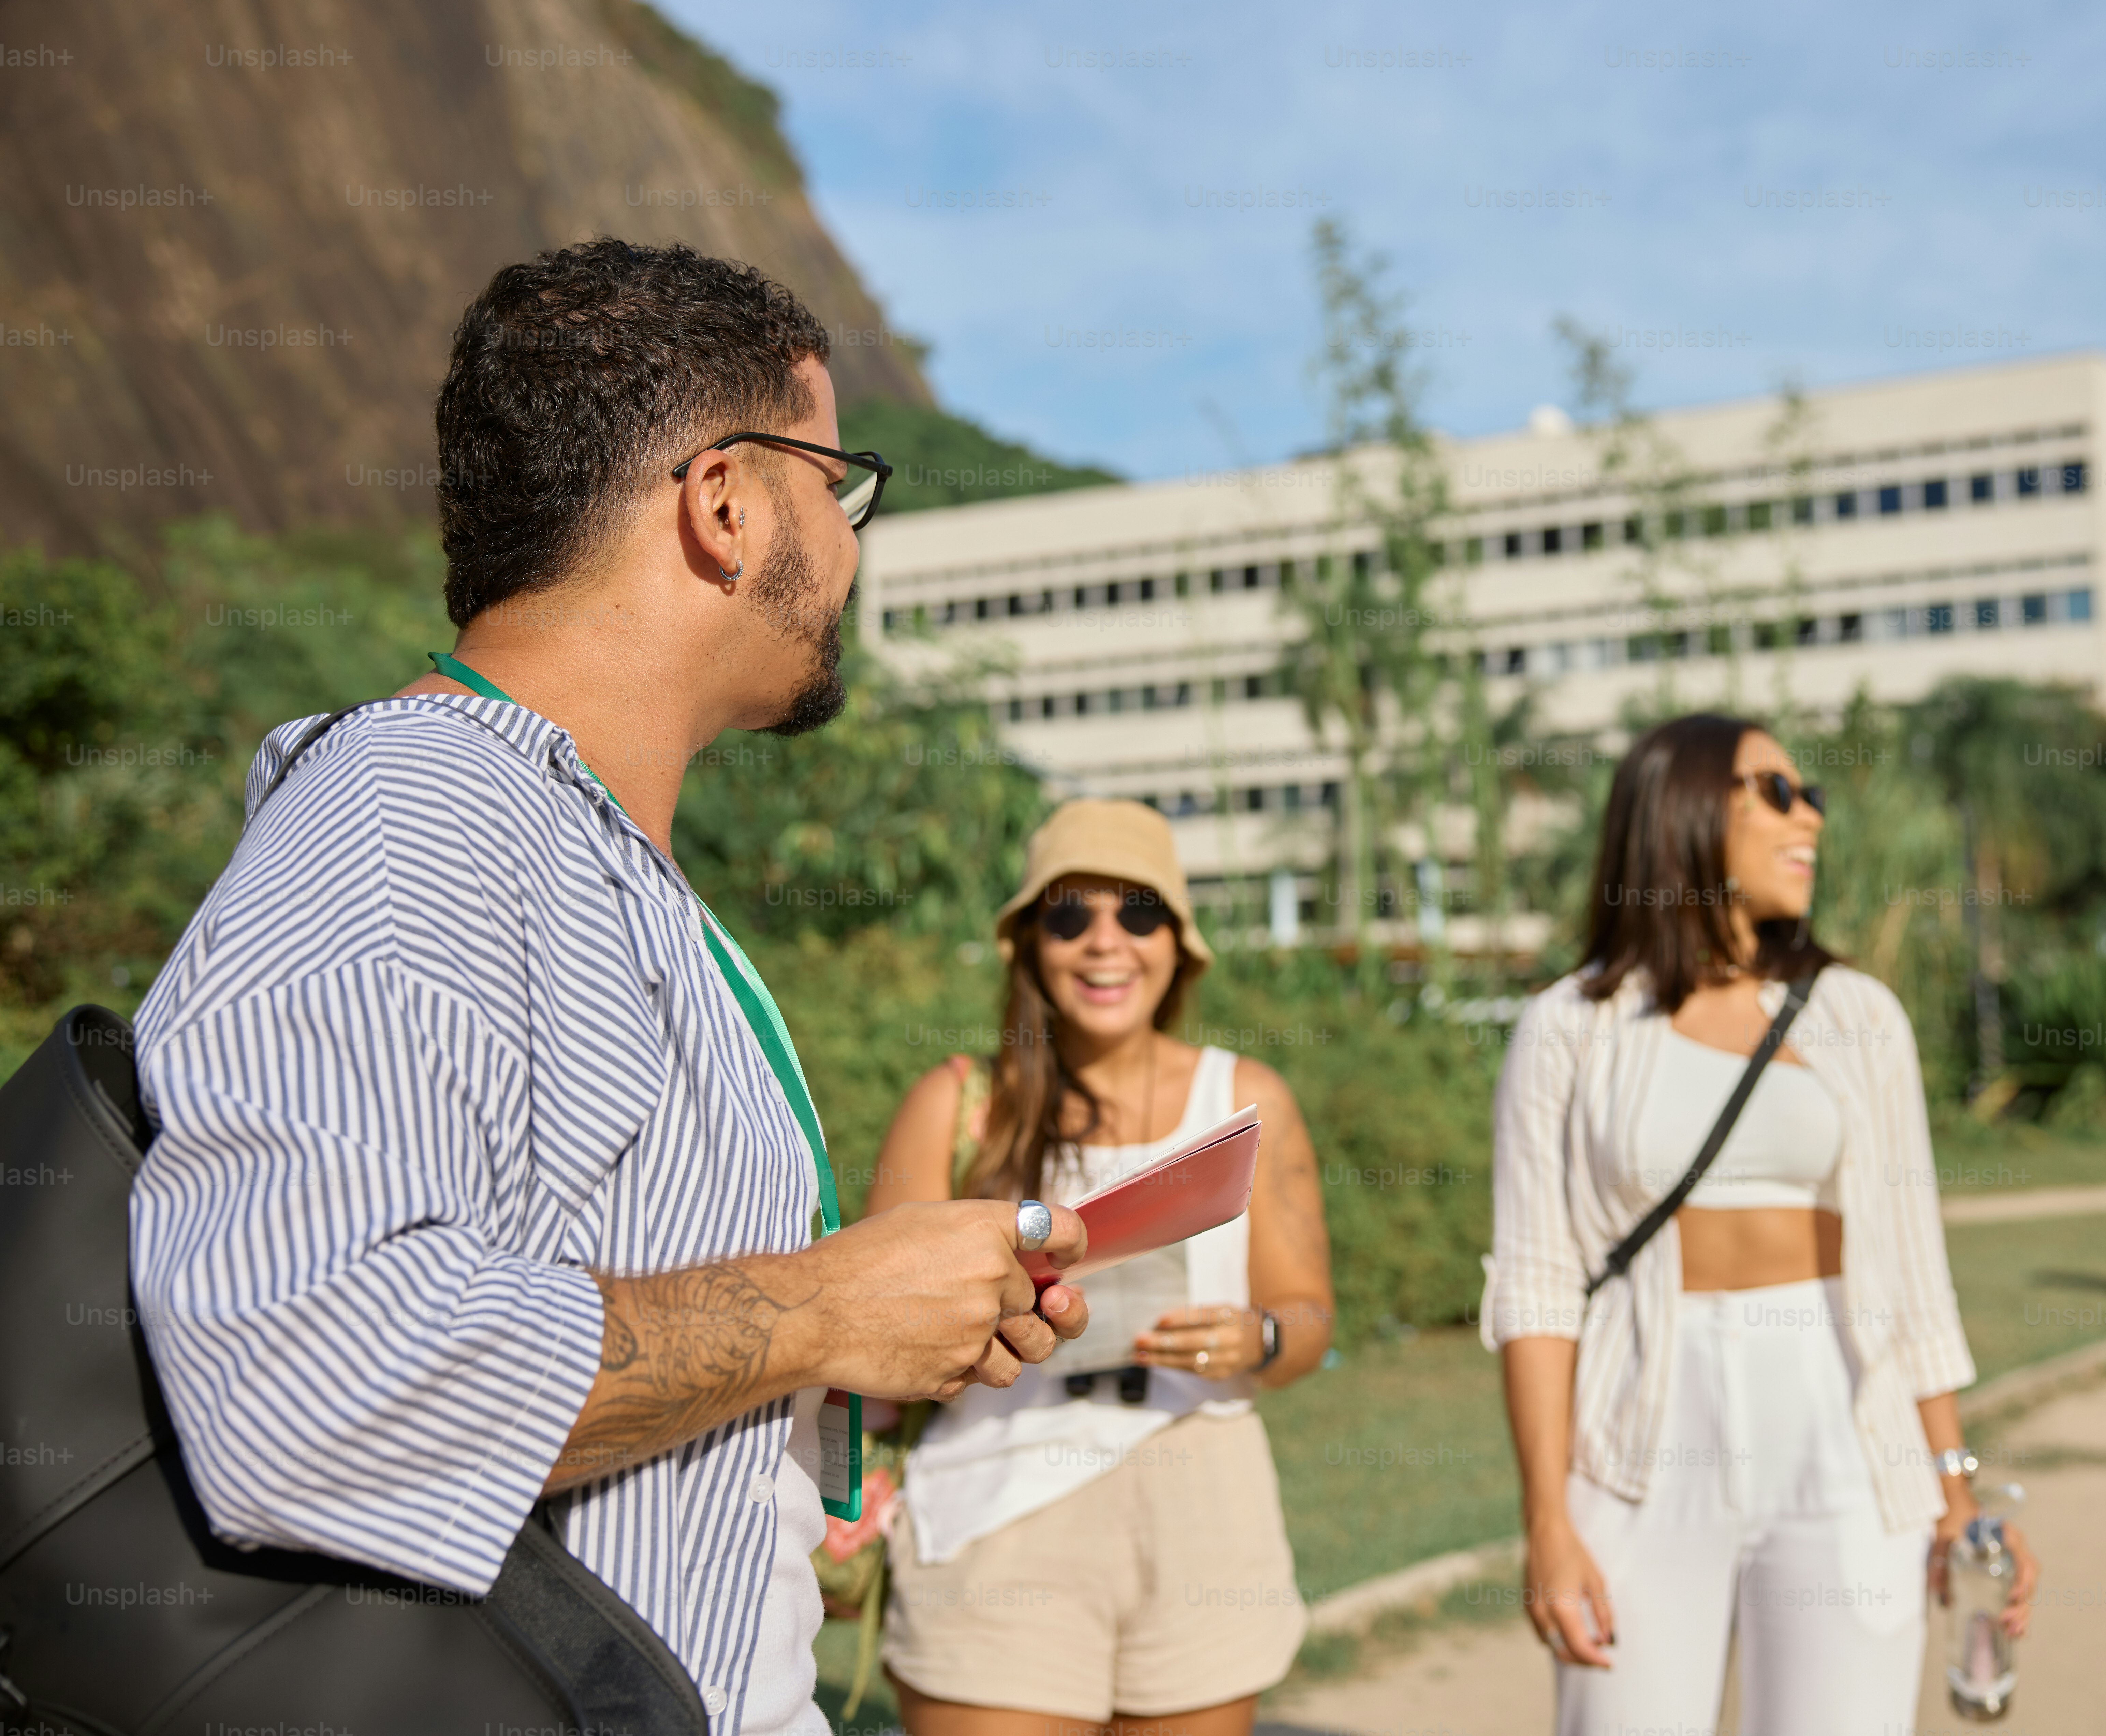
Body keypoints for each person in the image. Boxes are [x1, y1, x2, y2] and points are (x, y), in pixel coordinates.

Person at [129, 239, 1092, 1736]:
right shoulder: (415, 811)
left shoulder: (583, 852)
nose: (845, 549)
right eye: (835, 492)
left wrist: (893, 1323)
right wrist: (819, 1307)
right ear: (723, 502)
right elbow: (306, 1376)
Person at [1487, 712, 2036, 1734]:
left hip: (1840, 1425)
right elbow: (1534, 1285)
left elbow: (1913, 1275)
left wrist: (1955, 1492)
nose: (1811, 818)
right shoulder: (1568, 1029)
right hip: (1638, 1443)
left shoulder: (1858, 1015)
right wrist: (1548, 1520)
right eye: (1777, 792)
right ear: (1686, 809)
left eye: (1812, 794)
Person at [867, 797, 1337, 1736]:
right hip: (997, 1513)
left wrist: (1260, 1335)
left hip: (1203, 1507)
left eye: (1140, 912)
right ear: (1029, 943)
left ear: (1181, 943)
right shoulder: (960, 1104)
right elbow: (873, 1332)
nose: (1105, 943)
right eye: (1071, 914)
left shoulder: (1247, 1097)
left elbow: (1310, 1322)